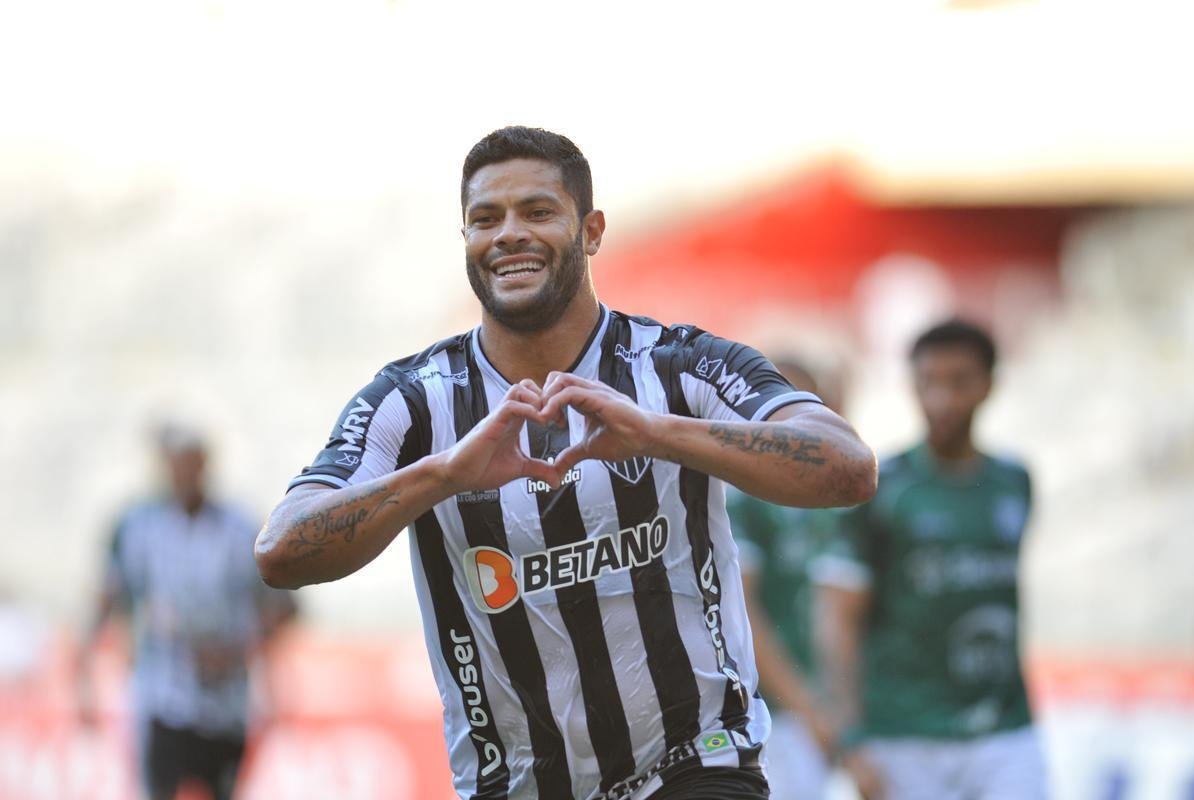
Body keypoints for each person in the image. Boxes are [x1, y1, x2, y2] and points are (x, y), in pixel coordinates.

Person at [255, 126, 877, 800]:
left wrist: (661, 435)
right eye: (484, 219)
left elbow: (847, 468)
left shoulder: (675, 365)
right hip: (518, 785)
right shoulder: (412, 401)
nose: (508, 234)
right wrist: (443, 475)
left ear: (591, 230)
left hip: (695, 765)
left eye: (538, 211)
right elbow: (281, 551)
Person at [812, 319, 1043, 799]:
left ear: (989, 385)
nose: (942, 399)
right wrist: (850, 736)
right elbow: (837, 616)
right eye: (928, 383)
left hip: (1007, 730)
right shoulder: (881, 487)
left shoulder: (1015, 483)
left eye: (958, 382)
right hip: (904, 736)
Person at [79, 424, 297, 800]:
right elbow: (109, 596)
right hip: (161, 695)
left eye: (193, 464)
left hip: (226, 701)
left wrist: (239, 646)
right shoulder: (138, 527)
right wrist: (84, 675)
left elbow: (284, 605)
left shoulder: (239, 527)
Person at [726, 359, 843, 798]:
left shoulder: (833, 500)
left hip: (827, 709)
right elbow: (744, 612)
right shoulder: (744, 499)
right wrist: (809, 708)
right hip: (775, 715)